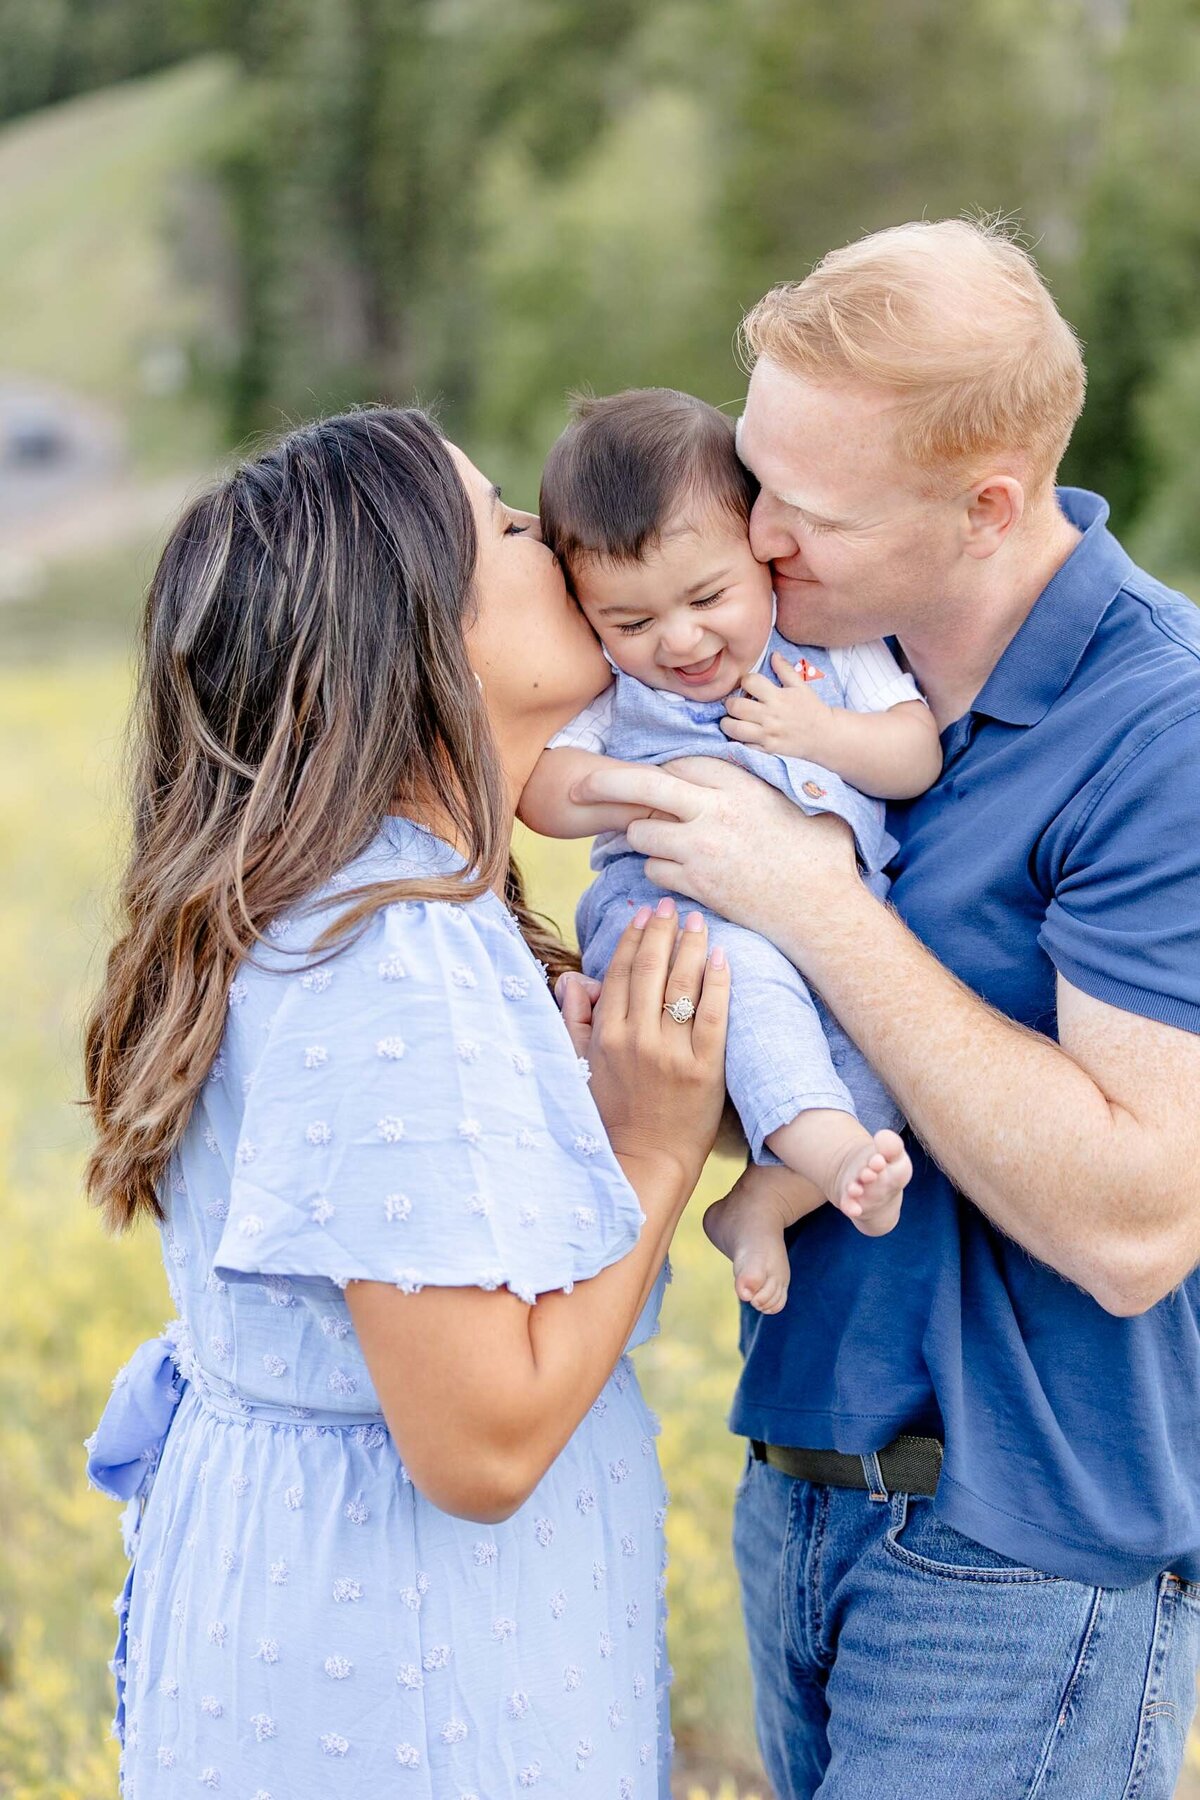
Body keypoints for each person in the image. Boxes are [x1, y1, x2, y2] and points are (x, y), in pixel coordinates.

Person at [569, 219, 1200, 1798]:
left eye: (809, 509)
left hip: (1017, 1549)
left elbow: (1137, 1221)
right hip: (801, 1488)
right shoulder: (825, 678)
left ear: (990, 504)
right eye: (756, 474)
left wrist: (810, 900)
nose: (758, 536)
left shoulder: (1163, 729)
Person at [81, 407, 730, 1798]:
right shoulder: (393, 950)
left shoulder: (371, 910)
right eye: (501, 528)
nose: (548, 545)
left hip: (336, 1639)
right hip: (409, 1689)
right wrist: (656, 1147)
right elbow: (484, 1442)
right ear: (417, 636)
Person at [522, 388, 942, 1312]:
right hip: (687, 926)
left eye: (709, 596)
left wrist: (820, 732)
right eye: (629, 623)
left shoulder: (823, 650)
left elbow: (914, 756)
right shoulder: (620, 694)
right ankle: (825, 1152)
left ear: (760, 551)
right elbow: (544, 792)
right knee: (749, 989)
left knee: (900, 1055)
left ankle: (763, 1201)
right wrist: (654, 792)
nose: (679, 639)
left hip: (835, 934)